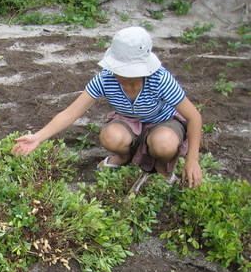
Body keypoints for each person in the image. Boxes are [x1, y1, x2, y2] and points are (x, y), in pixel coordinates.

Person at [12, 26, 203, 189]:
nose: (121, 74)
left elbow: (194, 117)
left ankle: (161, 165)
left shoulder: (160, 79)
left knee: (164, 144)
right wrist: (37, 137)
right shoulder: (106, 78)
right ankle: (124, 156)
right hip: (129, 122)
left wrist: (192, 160)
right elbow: (71, 112)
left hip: (163, 122)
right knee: (110, 137)